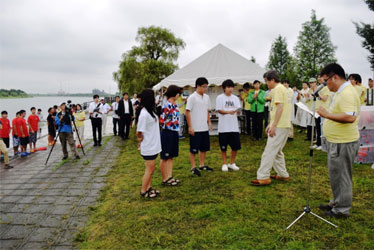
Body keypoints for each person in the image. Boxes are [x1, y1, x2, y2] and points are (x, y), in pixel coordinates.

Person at [317, 63, 360, 218]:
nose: (325, 85)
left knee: (342, 176)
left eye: (325, 81)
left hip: (344, 141)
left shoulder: (347, 92)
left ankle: (342, 209)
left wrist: (327, 115)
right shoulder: (341, 92)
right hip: (337, 141)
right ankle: (337, 201)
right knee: (336, 174)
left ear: (334, 77)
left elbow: (350, 117)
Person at [251, 70, 291, 186]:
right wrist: (270, 123)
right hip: (283, 124)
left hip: (280, 126)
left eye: (267, 81)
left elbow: (279, 108)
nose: (266, 84)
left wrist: (274, 125)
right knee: (277, 151)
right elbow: (275, 109)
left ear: (272, 80)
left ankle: (263, 177)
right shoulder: (281, 89)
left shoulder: (278, 89)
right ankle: (283, 174)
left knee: (269, 151)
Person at [136, 89, 162, 198]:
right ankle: (143, 191)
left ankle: (148, 187)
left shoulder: (150, 111)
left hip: (154, 145)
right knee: (149, 169)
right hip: (148, 146)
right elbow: (139, 132)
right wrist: (140, 140)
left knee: (151, 169)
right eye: (154, 96)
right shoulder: (144, 114)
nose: (155, 98)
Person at [186, 77, 213, 177]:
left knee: (204, 148)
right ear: (198, 86)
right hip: (195, 127)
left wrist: (209, 122)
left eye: (206, 87)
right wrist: (190, 126)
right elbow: (187, 112)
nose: (205, 89)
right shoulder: (192, 97)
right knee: (194, 149)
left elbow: (206, 110)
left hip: (204, 127)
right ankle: (193, 167)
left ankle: (202, 165)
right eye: (203, 87)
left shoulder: (206, 97)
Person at [216, 79, 241, 172]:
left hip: (234, 127)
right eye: (228, 87)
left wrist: (235, 111)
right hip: (223, 127)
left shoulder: (235, 98)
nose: (230, 89)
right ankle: (225, 163)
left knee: (235, 146)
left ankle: (232, 163)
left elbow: (237, 108)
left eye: (231, 87)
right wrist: (228, 112)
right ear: (224, 88)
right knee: (224, 147)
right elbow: (219, 110)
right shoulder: (220, 98)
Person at [159, 85, 181, 186]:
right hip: (167, 132)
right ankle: (165, 179)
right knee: (165, 157)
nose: (179, 95)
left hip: (174, 132)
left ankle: (170, 177)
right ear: (175, 94)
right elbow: (161, 120)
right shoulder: (166, 105)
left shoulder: (175, 105)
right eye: (178, 94)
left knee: (171, 156)